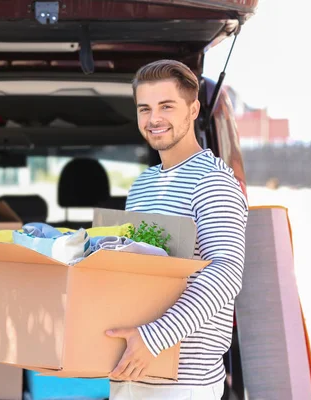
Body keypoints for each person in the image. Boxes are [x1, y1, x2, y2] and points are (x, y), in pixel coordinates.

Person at [105, 60, 248, 399]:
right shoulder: (143, 184)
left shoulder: (212, 182)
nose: (154, 119)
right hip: (130, 372)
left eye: (166, 106)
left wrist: (154, 337)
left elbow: (226, 273)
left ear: (194, 108)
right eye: (145, 108)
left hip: (183, 383)